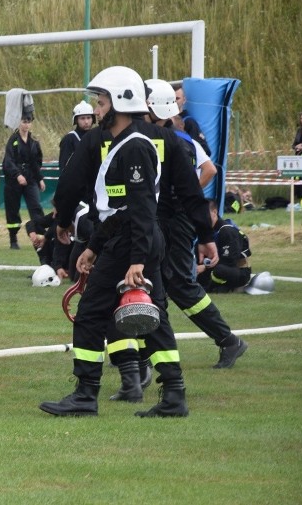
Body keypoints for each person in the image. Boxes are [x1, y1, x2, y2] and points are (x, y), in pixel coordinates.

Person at [42, 65, 214, 418]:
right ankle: (174, 395)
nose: (97, 109)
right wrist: (92, 246)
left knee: (90, 313)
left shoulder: (133, 147)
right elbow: (119, 209)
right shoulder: (129, 142)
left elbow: (140, 207)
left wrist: (135, 258)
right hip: (131, 239)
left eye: (101, 101)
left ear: (120, 101)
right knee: (156, 317)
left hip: (133, 243)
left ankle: (86, 394)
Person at [143, 78, 247, 370]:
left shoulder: (177, 142)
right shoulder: (176, 138)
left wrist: (202, 231)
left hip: (175, 222)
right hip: (165, 221)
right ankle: (142, 353)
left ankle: (228, 340)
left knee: (178, 284)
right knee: (154, 283)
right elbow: (206, 172)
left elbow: (197, 184)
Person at [3, 109, 45, 250]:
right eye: (23, 122)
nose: (26, 125)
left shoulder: (34, 142)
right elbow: (8, 161)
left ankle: (41, 236)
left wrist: (40, 179)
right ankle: (13, 239)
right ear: (18, 123)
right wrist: (17, 175)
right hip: (14, 180)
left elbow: (36, 162)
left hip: (31, 178)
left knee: (36, 206)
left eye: (28, 122)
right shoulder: (13, 141)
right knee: (12, 209)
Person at [197, 200, 252, 293]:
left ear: (214, 212)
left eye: (205, 214)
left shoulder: (227, 231)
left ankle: (221, 287)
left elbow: (229, 261)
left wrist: (205, 267)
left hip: (239, 270)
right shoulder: (208, 231)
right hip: (219, 264)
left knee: (219, 270)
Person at [174, 86, 212, 157]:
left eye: (177, 98)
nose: (174, 101)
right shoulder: (163, 120)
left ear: (184, 100)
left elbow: (205, 151)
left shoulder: (189, 122)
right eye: (171, 99)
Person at [58, 101, 95, 172]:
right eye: (82, 118)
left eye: (88, 118)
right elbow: (64, 165)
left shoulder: (96, 136)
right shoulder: (69, 139)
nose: (86, 121)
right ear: (76, 120)